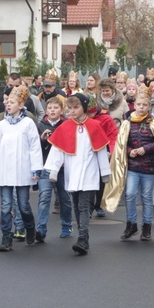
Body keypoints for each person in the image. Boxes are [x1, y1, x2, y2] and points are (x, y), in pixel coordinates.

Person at [103, 92, 154, 242]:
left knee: (147, 197)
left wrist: (145, 149)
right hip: (133, 166)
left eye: (144, 105)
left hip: (149, 167)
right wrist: (130, 151)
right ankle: (131, 224)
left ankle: (147, 226)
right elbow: (123, 146)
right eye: (139, 105)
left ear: (149, 106)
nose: (141, 107)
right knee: (130, 194)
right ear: (134, 105)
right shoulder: (127, 123)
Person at [45, 93, 110, 255]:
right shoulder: (65, 126)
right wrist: (54, 170)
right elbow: (58, 150)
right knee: (75, 203)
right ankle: (83, 237)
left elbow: (101, 150)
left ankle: (83, 238)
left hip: (89, 171)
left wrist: (105, 172)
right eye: (70, 107)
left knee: (83, 205)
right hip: (72, 172)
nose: (72, 111)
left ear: (84, 108)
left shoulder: (94, 126)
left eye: (76, 107)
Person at [0, 85, 43, 252]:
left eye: (12, 102)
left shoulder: (28, 124)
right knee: (5, 206)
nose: (8, 105)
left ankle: (30, 228)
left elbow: (34, 147)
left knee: (23, 205)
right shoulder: (2, 125)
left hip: (22, 171)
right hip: (5, 172)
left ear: (21, 105)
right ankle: (6, 237)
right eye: (7, 102)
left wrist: (36, 169)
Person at [35, 97, 72, 241]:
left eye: (56, 108)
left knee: (64, 198)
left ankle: (66, 225)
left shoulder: (66, 125)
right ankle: (41, 229)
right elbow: (34, 147)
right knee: (44, 197)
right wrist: (42, 139)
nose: (52, 110)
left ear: (61, 110)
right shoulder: (40, 125)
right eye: (49, 108)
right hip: (45, 166)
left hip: (63, 168)